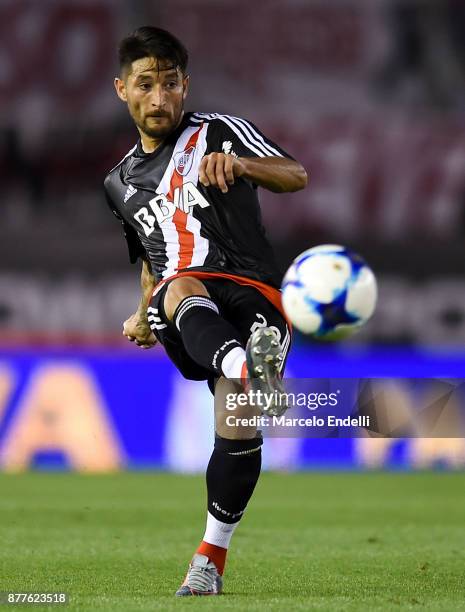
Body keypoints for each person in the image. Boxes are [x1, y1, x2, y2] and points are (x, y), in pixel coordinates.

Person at [104, 26, 307, 596]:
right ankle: (248, 369)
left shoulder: (221, 131)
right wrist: (141, 312)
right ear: (123, 89)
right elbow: (151, 260)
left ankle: (209, 560)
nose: (160, 98)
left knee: (236, 434)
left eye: (171, 84)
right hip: (186, 300)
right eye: (147, 85)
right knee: (179, 282)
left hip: (255, 295)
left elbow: (296, 174)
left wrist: (241, 167)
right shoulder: (117, 184)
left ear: (186, 85)